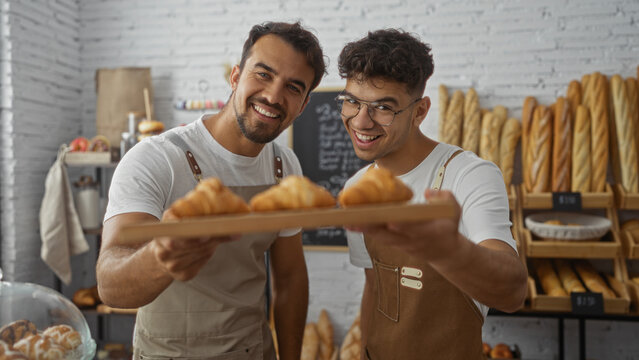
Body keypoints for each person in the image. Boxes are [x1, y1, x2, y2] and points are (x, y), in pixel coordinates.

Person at [96, 21, 326, 360]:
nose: (274, 96)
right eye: (263, 74)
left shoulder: (284, 167)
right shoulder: (157, 158)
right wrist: (162, 255)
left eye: (293, 87)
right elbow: (110, 287)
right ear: (235, 77)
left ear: (303, 105)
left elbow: (290, 278)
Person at [336, 29, 528, 359]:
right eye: (352, 101)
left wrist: (449, 250)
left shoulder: (469, 175)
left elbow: (513, 292)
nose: (361, 121)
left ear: (420, 111)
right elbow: (376, 287)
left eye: (383, 107)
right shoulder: (357, 190)